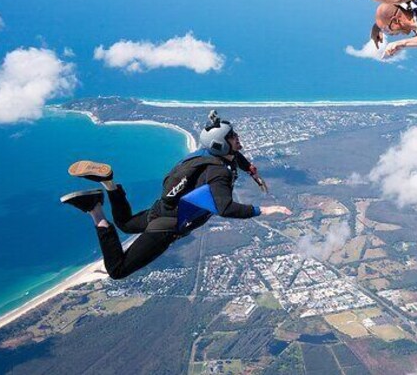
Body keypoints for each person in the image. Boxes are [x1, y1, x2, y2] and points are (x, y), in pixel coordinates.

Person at [60, 111, 291, 280]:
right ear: (222, 144)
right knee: (117, 271)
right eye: (233, 136)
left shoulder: (207, 156)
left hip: (161, 209)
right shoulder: (219, 173)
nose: (237, 138)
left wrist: (251, 170)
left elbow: (234, 157)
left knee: (125, 223)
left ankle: (110, 184)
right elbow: (225, 208)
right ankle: (94, 209)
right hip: (167, 228)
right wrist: (264, 210)